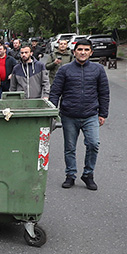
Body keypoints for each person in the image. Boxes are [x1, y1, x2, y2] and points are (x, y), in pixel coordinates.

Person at [49, 39, 110, 191]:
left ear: (91, 52)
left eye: (86, 50)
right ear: (74, 52)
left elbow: (104, 93)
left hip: (91, 115)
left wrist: (103, 114)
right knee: (70, 147)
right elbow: (55, 92)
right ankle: (70, 175)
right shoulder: (64, 70)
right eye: (80, 49)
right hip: (69, 115)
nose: (83, 52)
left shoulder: (98, 69)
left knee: (93, 144)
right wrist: (52, 112)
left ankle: (88, 174)